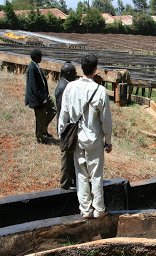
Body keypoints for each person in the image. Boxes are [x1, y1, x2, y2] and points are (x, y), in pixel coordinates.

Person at [58, 54, 113, 219]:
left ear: (82, 68)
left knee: (80, 174)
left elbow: (64, 115)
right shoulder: (100, 91)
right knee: (96, 175)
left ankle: (85, 209)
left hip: (76, 138)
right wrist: (108, 141)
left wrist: (63, 135)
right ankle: (99, 209)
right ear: (95, 69)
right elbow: (106, 121)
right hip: (94, 140)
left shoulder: (70, 87)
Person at [25, 48, 56, 144]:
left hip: (43, 96)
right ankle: (40, 137)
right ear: (36, 57)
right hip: (38, 99)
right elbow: (34, 86)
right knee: (40, 117)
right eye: (40, 56)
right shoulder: (32, 68)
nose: (41, 58)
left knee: (53, 110)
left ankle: (43, 129)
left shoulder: (36, 66)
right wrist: (42, 99)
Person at [55, 63, 78, 190]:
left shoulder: (65, 84)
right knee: (66, 156)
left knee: (70, 155)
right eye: (74, 72)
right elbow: (63, 111)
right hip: (66, 127)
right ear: (68, 74)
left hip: (67, 126)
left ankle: (70, 179)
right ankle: (64, 183)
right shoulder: (64, 87)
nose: (76, 74)